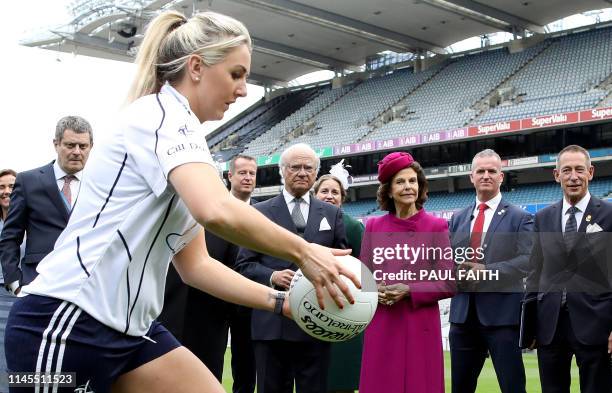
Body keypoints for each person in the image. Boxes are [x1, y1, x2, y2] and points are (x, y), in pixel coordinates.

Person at [4, 11, 357, 393]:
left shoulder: (184, 139)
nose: (242, 90)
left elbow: (197, 266)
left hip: (131, 333)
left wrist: (282, 303)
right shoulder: (161, 118)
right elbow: (216, 210)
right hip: (64, 325)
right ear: (196, 67)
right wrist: (305, 251)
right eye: (236, 74)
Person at [236, 143, 347, 393]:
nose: (302, 172)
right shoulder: (258, 212)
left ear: (316, 173)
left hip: (317, 323)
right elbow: (243, 265)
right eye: (295, 167)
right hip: (271, 325)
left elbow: (342, 262)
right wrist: (272, 275)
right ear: (282, 171)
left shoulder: (331, 214)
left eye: (308, 167)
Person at [158, 153, 258, 392]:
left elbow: (234, 268)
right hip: (163, 315)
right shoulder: (164, 213)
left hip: (210, 322)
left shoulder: (227, 221)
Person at [359, 152, 455, 393]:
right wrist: (375, 288)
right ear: (389, 191)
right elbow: (362, 276)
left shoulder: (436, 226)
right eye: (400, 182)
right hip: (382, 323)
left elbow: (448, 282)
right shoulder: (373, 227)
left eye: (413, 181)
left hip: (419, 326)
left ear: (420, 186)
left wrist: (409, 290)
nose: (408, 187)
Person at [525, 145, 612, 393]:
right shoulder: (543, 218)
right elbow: (535, 271)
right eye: (566, 170)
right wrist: (530, 325)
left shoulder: (609, 215)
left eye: (579, 169)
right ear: (557, 175)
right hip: (550, 326)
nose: (573, 176)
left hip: (597, 322)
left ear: (591, 172)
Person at [448, 149, 533, 393]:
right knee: (460, 388)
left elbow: (528, 261)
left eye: (492, 171)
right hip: (463, 317)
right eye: (480, 171)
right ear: (471, 177)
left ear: (501, 177)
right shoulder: (457, 218)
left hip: (503, 318)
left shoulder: (520, 218)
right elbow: (445, 261)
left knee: (512, 387)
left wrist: (486, 270)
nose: (486, 175)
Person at [0, 116, 93, 292]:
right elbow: (10, 237)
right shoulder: (28, 181)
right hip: (37, 283)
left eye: (83, 146)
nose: (77, 152)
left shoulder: (101, 184)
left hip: (85, 288)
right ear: (56, 144)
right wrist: (14, 283)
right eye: (70, 145)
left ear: (91, 147)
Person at [313, 164, 364, 393]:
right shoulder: (302, 226)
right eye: (324, 191)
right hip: (309, 309)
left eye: (335, 192)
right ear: (314, 195)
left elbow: (367, 269)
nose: (329, 196)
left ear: (342, 198)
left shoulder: (353, 227)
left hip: (343, 311)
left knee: (340, 381)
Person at [0, 169, 18, 391]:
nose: (6, 192)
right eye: (2, 187)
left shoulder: (33, 222)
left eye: (12, 187)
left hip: (19, 297)